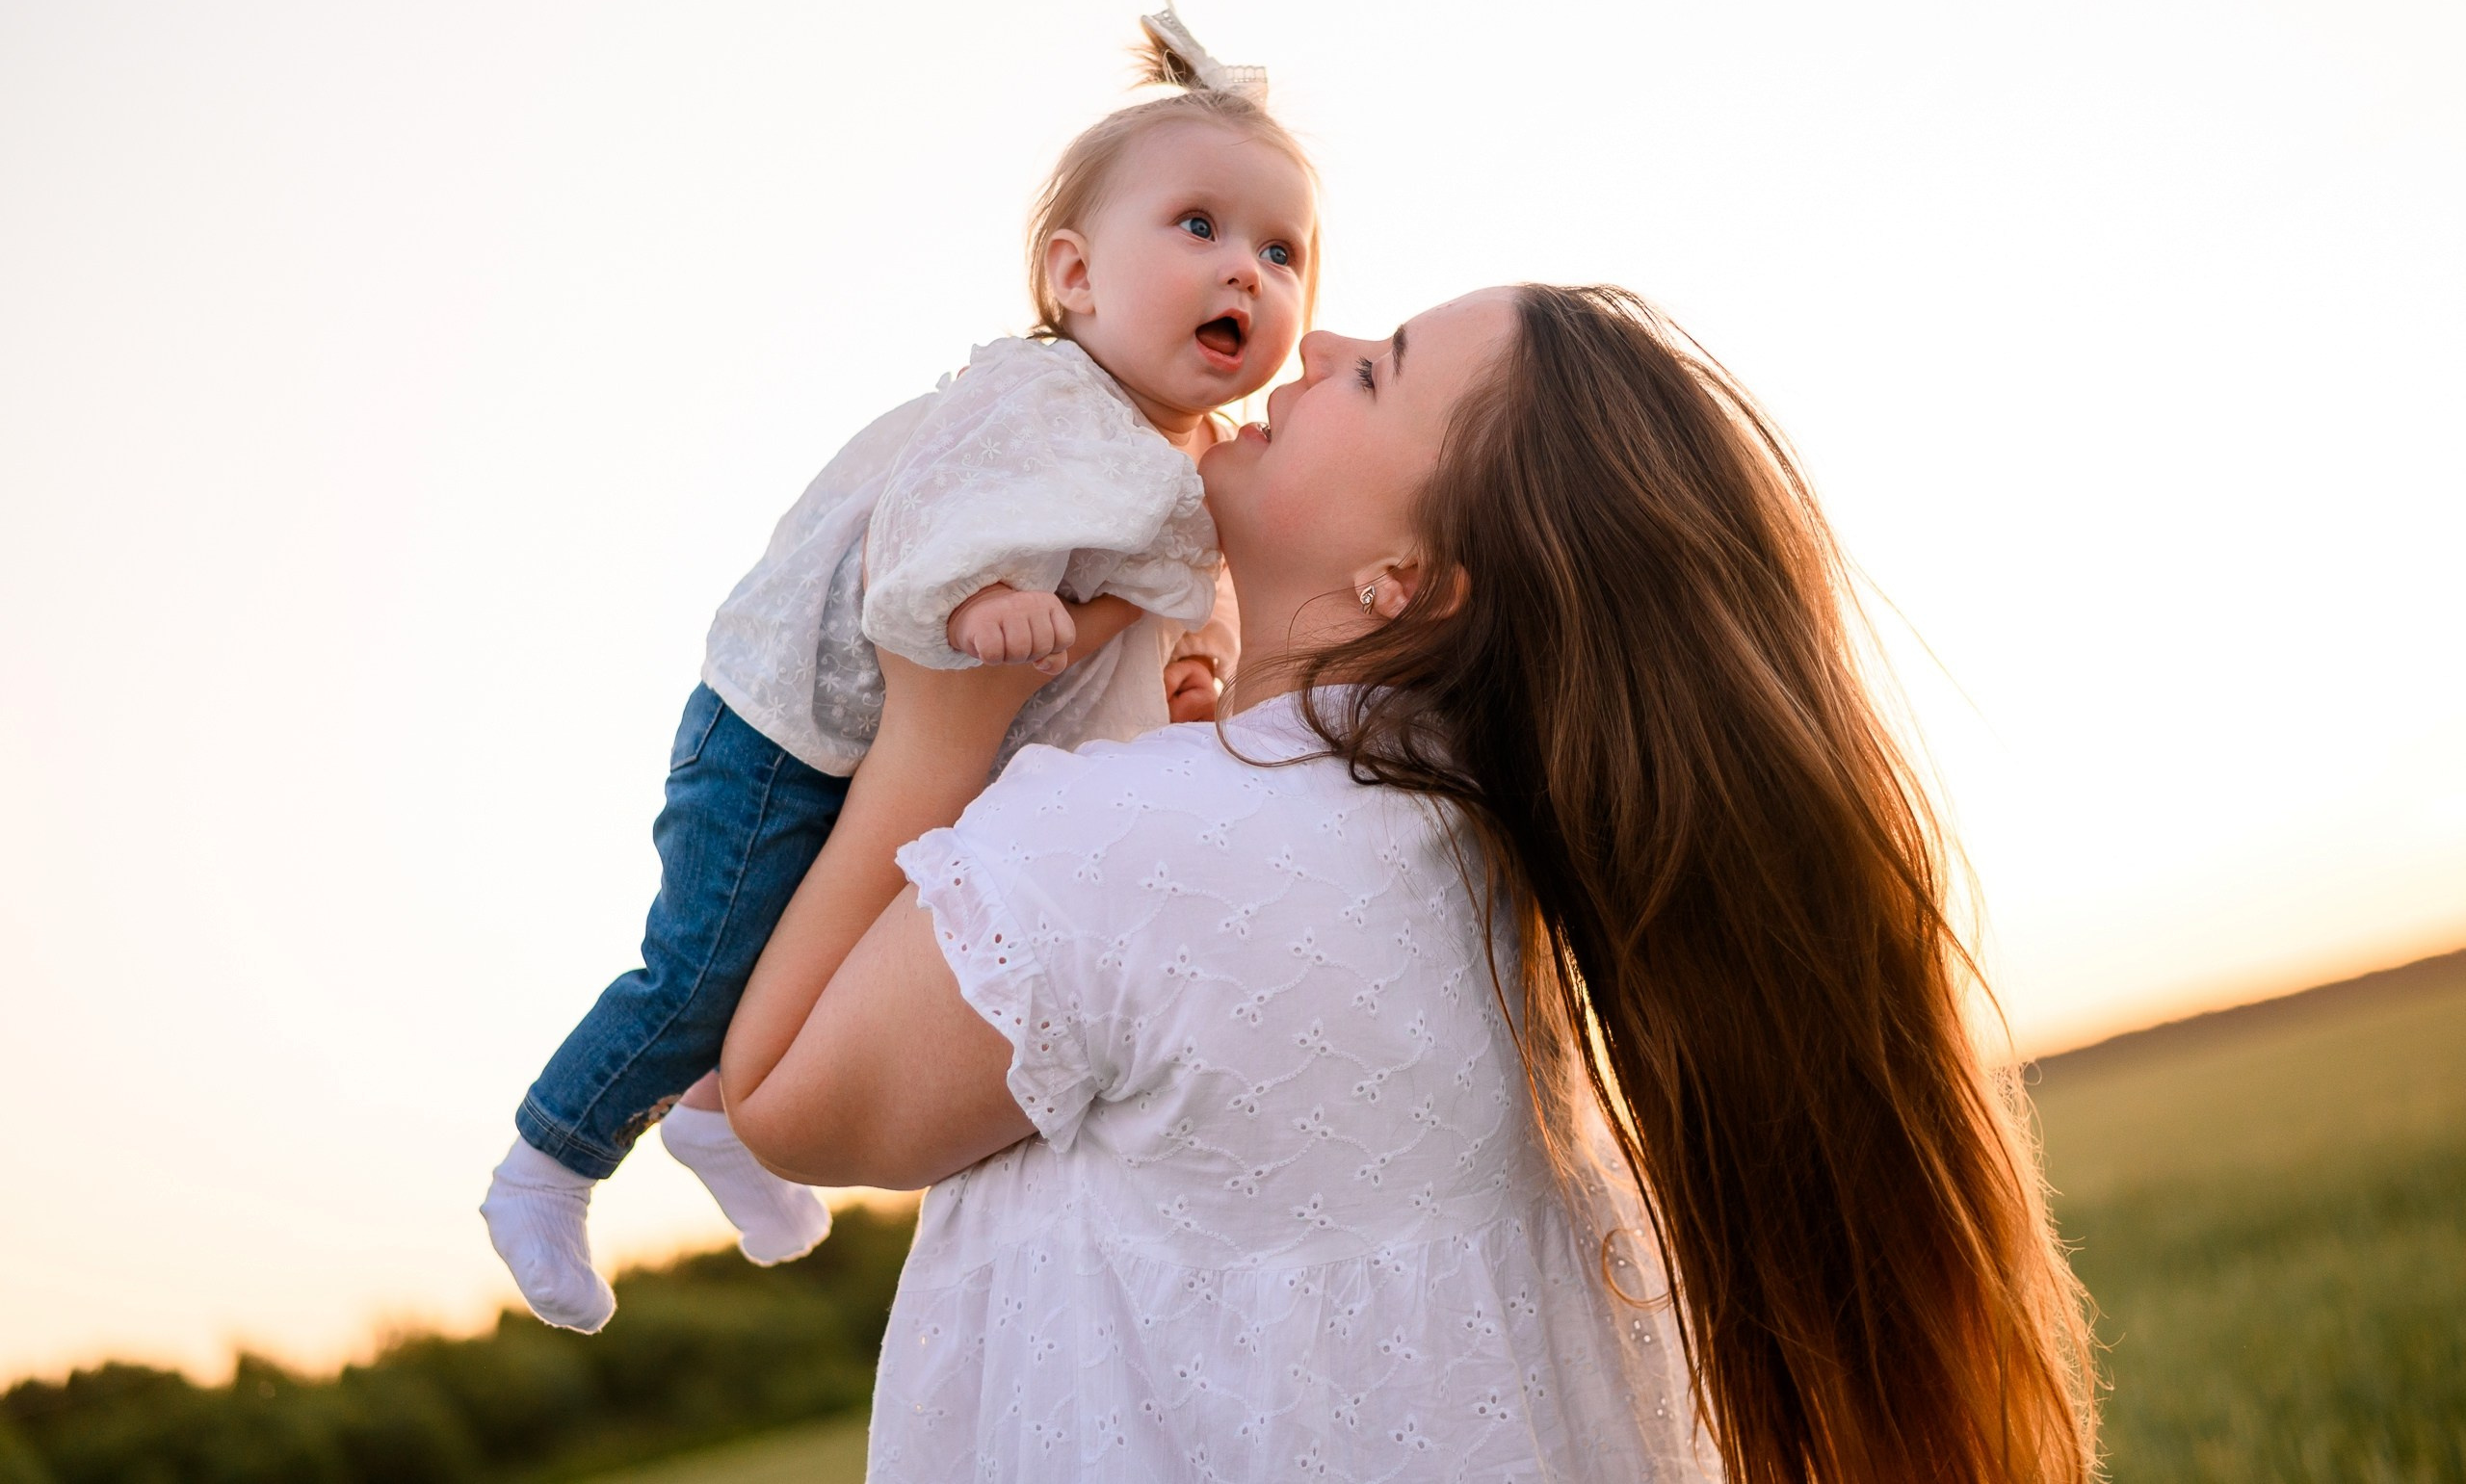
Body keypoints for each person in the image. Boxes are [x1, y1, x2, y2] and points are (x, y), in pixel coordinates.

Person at [722, 285, 2101, 1481]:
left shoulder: (1132, 845)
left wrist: (935, 727)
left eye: (1372, 372)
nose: (1309, 344)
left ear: (1406, 579)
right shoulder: (1489, 839)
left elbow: (779, 1097)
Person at [480, 3, 1320, 1333]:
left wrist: (1202, 671)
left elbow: (1193, 592)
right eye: (1200, 228)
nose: (1247, 274)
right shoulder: (1037, 402)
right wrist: (979, 596)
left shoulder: (1189, 462)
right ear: (1074, 279)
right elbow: (921, 525)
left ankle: (721, 1125)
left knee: (838, 960)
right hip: (784, 727)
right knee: (703, 967)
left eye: (1284, 252)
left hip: (900, 755)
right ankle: (548, 1163)